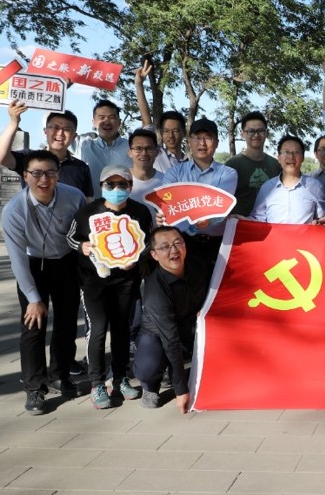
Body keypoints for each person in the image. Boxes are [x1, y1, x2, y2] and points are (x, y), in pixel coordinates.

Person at [1, 150, 88, 414]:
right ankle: (34, 387)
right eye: (36, 173)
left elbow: (84, 234)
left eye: (50, 173)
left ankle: (60, 374)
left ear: (58, 174)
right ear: (25, 176)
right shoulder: (14, 210)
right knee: (33, 325)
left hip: (66, 262)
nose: (44, 179)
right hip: (32, 265)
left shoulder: (74, 197)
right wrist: (33, 298)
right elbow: (17, 258)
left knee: (66, 323)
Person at [67, 165, 153, 409]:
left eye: (122, 184)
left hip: (126, 281)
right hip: (94, 281)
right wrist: (82, 247)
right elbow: (70, 237)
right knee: (97, 330)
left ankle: (120, 378)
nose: (116, 189)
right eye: (110, 184)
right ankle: (96, 383)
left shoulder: (140, 212)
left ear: (131, 186)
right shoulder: (87, 212)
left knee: (122, 329)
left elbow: (149, 242)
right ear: (101, 186)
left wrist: (136, 259)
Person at [133, 226, 210, 413]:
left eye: (177, 243)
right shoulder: (155, 290)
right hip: (160, 336)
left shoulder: (199, 266)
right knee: (149, 364)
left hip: (190, 328)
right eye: (165, 247)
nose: (174, 250)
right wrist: (181, 390)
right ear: (154, 255)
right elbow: (170, 340)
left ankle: (183, 373)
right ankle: (150, 386)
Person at [161, 118, 238, 263]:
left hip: (217, 243)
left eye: (208, 138)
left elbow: (221, 207)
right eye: (197, 137)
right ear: (189, 141)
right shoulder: (174, 173)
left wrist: (185, 205)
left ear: (216, 143)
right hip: (183, 242)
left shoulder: (228, 173)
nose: (202, 143)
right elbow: (168, 204)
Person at [0, 100, 94, 198]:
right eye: (55, 127)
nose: (60, 133)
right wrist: (14, 121)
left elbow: (88, 201)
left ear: (74, 136)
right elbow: (0, 156)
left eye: (67, 129)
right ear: (45, 131)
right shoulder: (30, 158)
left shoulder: (81, 167)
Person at [250, 135, 325, 225]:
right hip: (274, 235)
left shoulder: (315, 186)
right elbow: (257, 219)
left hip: (303, 234)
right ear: (279, 158)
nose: (291, 156)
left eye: (296, 152)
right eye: (286, 152)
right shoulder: (267, 188)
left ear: (303, 157)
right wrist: (240, 220)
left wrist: (322, 221)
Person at [225, 111, 281, 216]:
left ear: (267, 133)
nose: (256, 135)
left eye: (260, 131)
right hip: (241, 222)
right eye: (251, 131)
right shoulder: (232, 165)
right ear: (242, 134)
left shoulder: (276, 165)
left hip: (269, 221)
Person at [134, 62, 187, 172]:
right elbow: (146, 121)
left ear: (184, 133)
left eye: (175, 131)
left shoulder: (191, 163)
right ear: (161, 133)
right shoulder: (156, 153)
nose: (171, 136)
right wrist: (139, 85)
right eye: (166, 131)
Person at [70, 99, 132, 176]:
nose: (107, 122)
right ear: (93, 122)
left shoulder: (132, 148)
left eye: (111, 117)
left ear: (119, 122)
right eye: (101, 117)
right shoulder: (82, 145)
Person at [127, 129, 165, 217]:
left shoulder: (166, 181)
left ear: (156, 152)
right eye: (138, 149)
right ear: (130, 152)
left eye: (149, 149)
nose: (144, 153)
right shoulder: (121, 182)